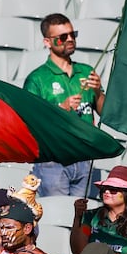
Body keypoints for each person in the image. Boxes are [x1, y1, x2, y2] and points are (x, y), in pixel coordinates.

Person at [23, 13, 105, 196]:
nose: (69, 40)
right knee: (56, 217)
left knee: (80, 220)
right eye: (62, 37)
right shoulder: (37, 79)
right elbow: (30, 122)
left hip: (84, 156)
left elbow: (104, 111)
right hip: (53, 159)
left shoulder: (86, 71)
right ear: (47, 42)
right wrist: (61, 109)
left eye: (72, 34)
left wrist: (98, 91)